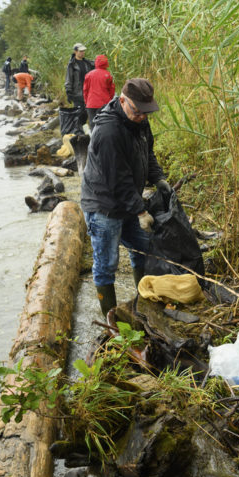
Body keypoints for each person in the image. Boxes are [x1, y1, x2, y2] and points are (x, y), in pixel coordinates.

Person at [80, 78, 170, 316]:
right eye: (138, 112)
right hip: (103, 206)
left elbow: (147, 153)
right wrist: (141, 212)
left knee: (144, 247)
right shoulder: (108, 131)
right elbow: (117, 180)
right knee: (107, 264)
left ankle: (144, 304)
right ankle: (110, 319)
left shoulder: (139, 120)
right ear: (122, 101)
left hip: (129, 201)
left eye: (146, 112)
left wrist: (158, 178)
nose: (142, 116)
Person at [82, 54, 115, 131]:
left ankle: (94, 141)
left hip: (91, 104)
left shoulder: (89, 75)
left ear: (96, 62)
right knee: (104, 124)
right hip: (104, 104)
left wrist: (87, 102)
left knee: (93, 125)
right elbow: (112, 91)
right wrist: (109, 101)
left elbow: (85, 90)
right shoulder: (108, 75)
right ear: (106, 63)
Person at [64, 43, 95, 120]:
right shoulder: (72, 65)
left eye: (83, 51)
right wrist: (68, 92)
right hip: (77, 93)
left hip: (88, 93)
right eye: (80, 51)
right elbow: (69, 79)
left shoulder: (87, 63)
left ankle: (85, 129)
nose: (82, 53)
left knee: (87, 113)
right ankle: (79, 130)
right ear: (75, 51)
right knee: (79, 114)